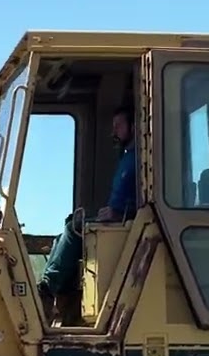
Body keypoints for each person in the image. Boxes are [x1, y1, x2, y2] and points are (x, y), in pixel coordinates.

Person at [37, 107, 137, 314]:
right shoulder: (127, 158)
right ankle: (61, 299)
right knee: (66, 230)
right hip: (117, 217)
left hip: (128, 221)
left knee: (73, 230)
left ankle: (49, 290)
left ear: (134, 127)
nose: (114, 132)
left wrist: (121, 213)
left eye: (118, 126)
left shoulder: (142, 161)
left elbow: (149, 198)